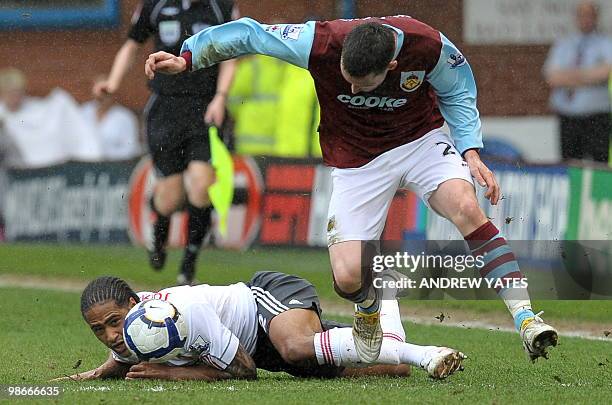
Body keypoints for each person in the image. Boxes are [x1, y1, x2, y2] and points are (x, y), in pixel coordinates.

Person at [143, 16, 558, 363]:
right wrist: (188, 56)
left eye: (363, 84)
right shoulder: (319, 42)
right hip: (356, 162)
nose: (353, 91)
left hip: (420, 141)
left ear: (393, 67)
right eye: (347, 80)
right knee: (346, 276)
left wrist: (470, 151)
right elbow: (250, 33)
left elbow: (458, 90)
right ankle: (369, 308)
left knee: (467, 206)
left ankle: (526, 318)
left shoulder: (428, 46)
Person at [57, 274, 465, 382]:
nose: (111, 335)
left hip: (263, 300)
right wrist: (90, 375)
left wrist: (170, 372)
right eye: (99, 330)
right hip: (264, 350)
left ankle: (422, 351)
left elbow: (244, 370)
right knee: (391, 368)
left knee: (294, 346)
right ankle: (385, 300)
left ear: (135, 304)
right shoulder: (129, 334)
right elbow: (118, 358)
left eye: (113, 322)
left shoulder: (185, 311)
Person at [95, 0, 238, 285]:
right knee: (170, 198)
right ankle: (158, 238)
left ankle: (188, 266)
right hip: (165, 110)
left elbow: (230, 56)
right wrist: (112, 83)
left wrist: (221, 97)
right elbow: (132, 45)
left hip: (204, 108)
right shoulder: (156, 6)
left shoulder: (221, 7)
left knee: (201, 185)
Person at [543, 0, 612, 163]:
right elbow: (552, 77)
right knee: (570, 163)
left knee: (599, 164)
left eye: (589, 15)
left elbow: (605, 72)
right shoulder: (564, 44)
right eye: (581, 15)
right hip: (568, 117)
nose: (585, 19)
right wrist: (588, 75)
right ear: (576, 17)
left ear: (596, 17)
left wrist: (569, 77)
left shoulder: (606, 43)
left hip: (596, 116)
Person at [82, 76, 142, 161]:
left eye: (105, 93)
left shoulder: (125, 117)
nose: (101, 97)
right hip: (85, 164)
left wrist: (104, 155)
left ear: (113, 94)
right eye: (98, 92)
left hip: (114, 165)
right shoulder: (84, 111)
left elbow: (130, 149)